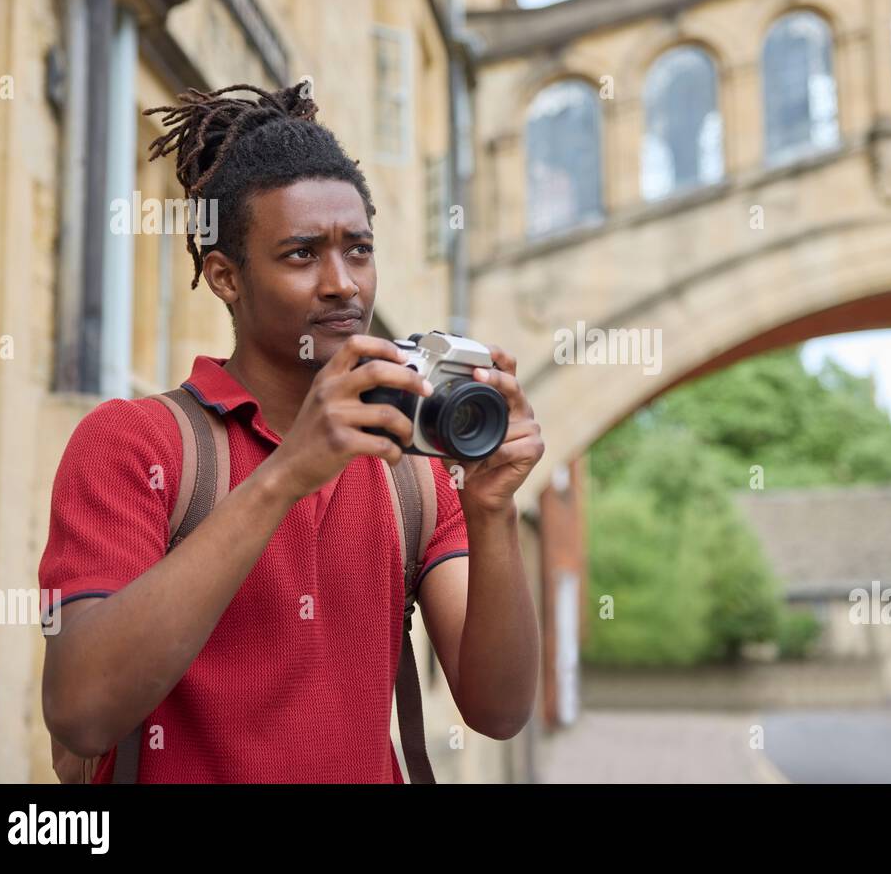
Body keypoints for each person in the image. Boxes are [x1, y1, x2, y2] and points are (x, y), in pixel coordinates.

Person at [38, 82, 543, 782]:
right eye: (302, 254)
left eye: (358, 249)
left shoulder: (414, 473)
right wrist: (286, 474)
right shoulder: (136, 443)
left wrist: (493, 512)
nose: (344, 283)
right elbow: (82, 708)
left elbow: (499, 707)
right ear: (225, 277)